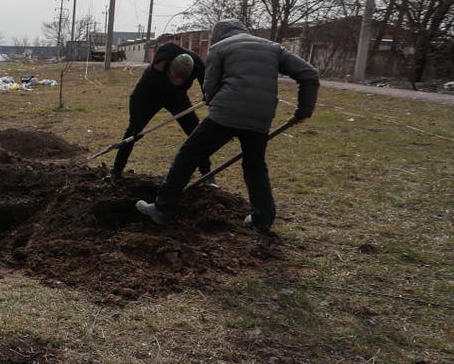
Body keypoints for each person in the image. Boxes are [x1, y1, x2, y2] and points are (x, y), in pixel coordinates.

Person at [136, 20, 319, 235]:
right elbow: (309, 74)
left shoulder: (219, 48)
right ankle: (262, 220)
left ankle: (162, 209)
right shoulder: (273, 48)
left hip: (227, 112)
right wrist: (304, 111)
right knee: (255, 166)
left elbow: (210, 87)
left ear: (217, 36)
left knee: (188, 155)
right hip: (261, 116)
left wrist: (217, 109)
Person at [105, 43, 213, 185]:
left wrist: (208, 95)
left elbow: (207, 83)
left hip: (177, 98)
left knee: (195, 132)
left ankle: (208, 175)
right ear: (167, 68)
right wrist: (136, 120)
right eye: (174, 78)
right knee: (133, 132)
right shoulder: (162, 59)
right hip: (148, 95)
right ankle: (116, 171)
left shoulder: (197, 65)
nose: (177, 82)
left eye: (181, 80)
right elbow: (137, 99)